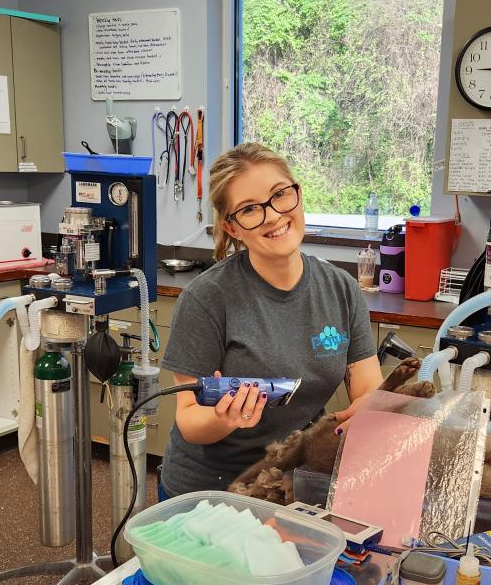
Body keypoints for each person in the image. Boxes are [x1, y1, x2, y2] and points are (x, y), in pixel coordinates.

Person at [158, 143, 384, 498]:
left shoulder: (341, 289)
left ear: (298, 194)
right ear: (232, 228)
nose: (273, 216)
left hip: (294, 482)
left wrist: (371, 410)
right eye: (249, 209)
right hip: (210, 492)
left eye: (280, 195)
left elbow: (368, 388)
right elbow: (188, 420)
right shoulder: (207, 299)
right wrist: (223, 418)